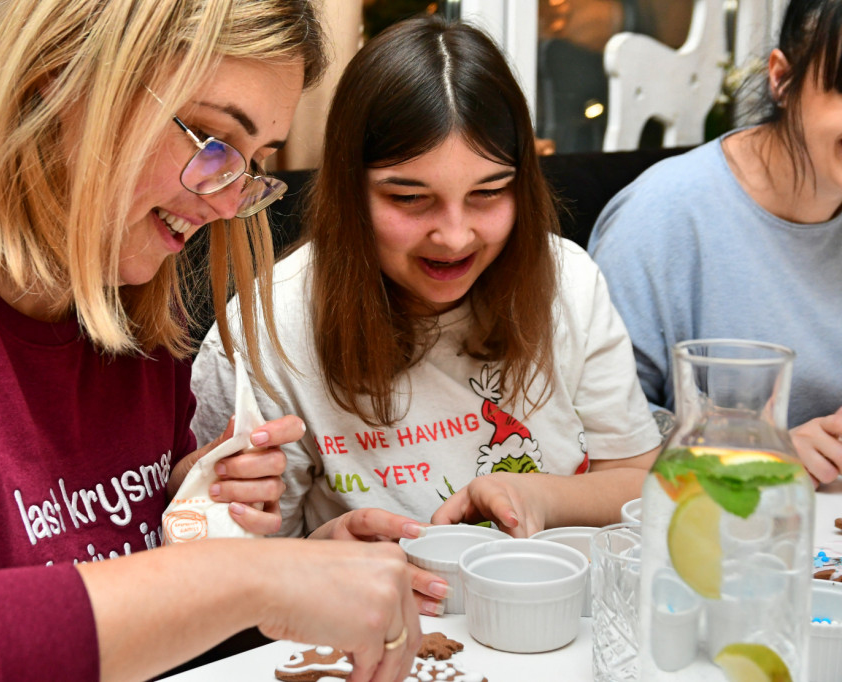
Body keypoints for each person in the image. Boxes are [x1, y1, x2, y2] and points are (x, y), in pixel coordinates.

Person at [0, 2, 422, 681]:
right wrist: (252, 581)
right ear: (63, 75)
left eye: (251, 163)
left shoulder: (133, 313)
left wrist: (267, 560)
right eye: (212, 139)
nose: (228, 203)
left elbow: (130, 633)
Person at [191, 15, 662, 617]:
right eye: (410, 199)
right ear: (348, 192)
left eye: (489, 192)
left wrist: (536, 495)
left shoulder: (565, 281)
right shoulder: (271, 328)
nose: (455, 235)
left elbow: (638, 479)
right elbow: (221, 568)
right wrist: (316, 558)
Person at [588, 0, 842, 487]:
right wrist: (759, 449)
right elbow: (598, 432)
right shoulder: (659, 218)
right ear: (782, 80)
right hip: (710, 531)